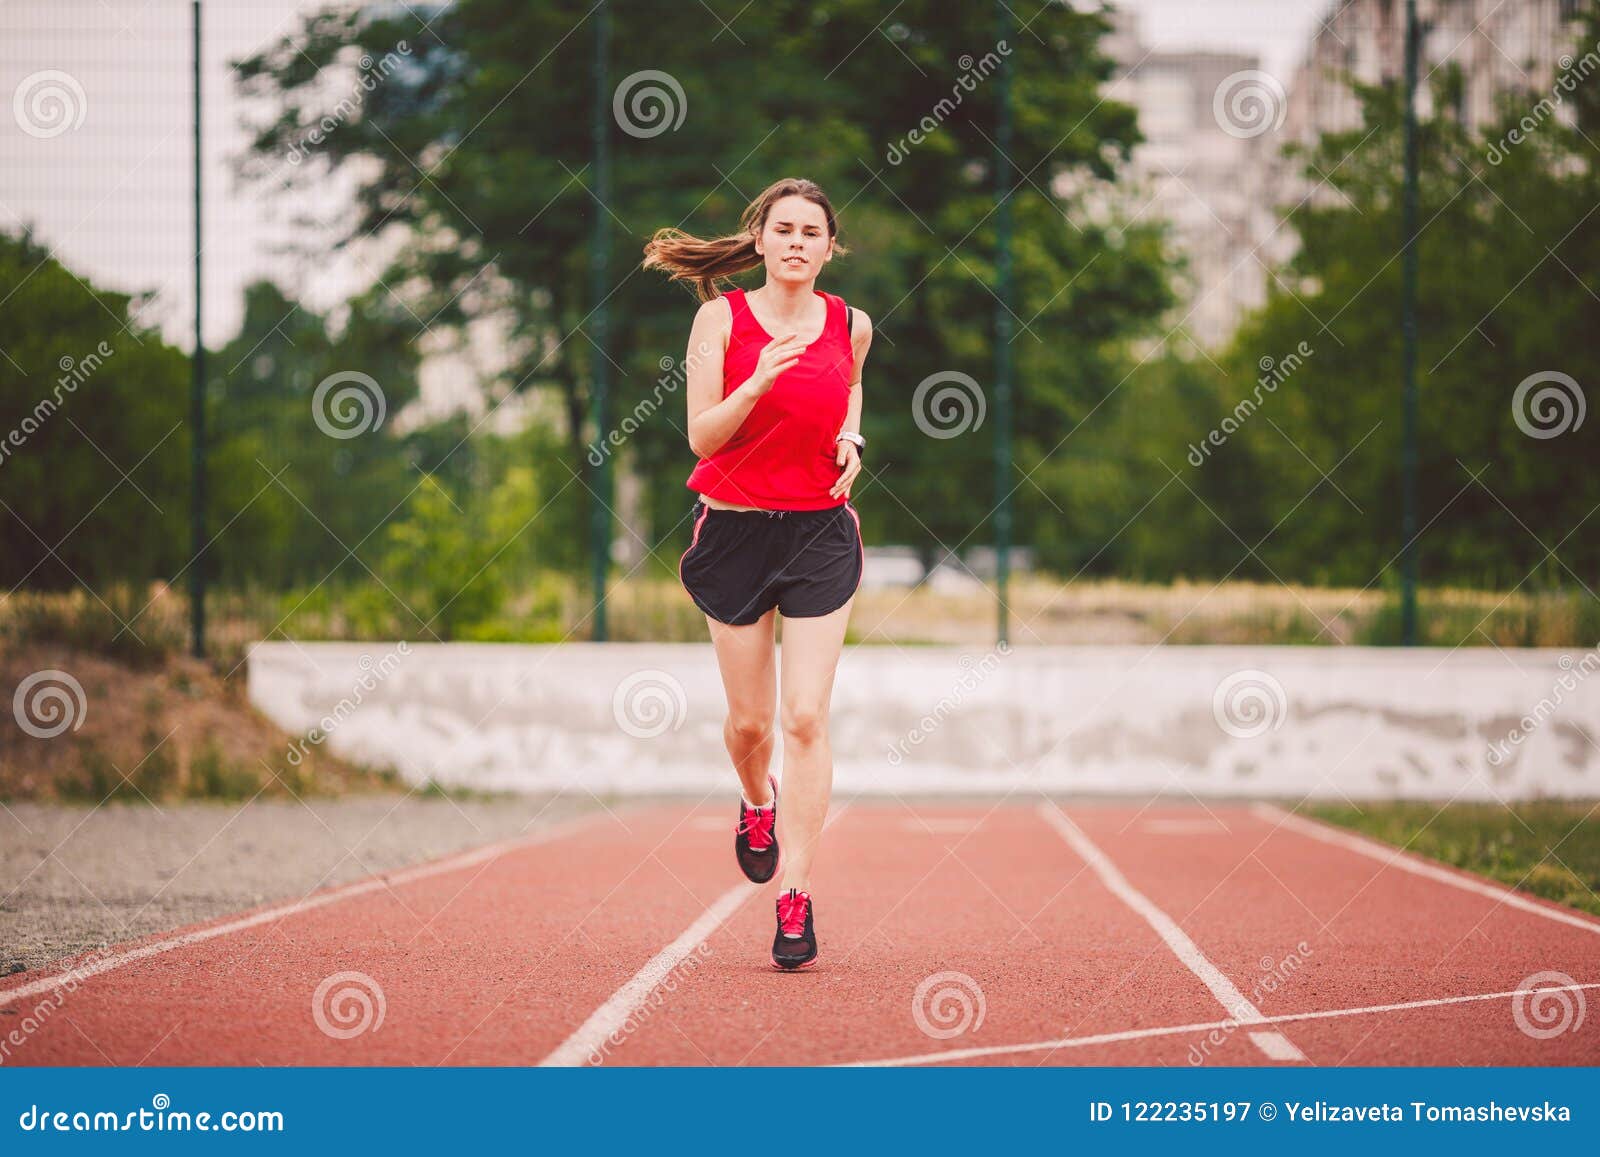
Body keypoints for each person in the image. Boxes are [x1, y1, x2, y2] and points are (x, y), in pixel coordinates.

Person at [641, 177, 873, 970]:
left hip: (819, 536)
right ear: (762, 239)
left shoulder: (851, 323)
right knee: (752, 728)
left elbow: (852, 390)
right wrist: (760, 380)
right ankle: (756, 802)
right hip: (735, 535)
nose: (798, 241)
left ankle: (795, 896)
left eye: (814, 230)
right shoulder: (720, 319)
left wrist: (853, 438)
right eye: (785, 229)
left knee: (806, 718)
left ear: (828, 246)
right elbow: (703, 438)